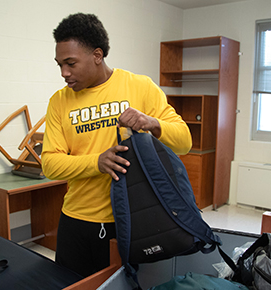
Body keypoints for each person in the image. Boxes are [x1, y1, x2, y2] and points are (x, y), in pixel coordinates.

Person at [41, 12, 192, 277]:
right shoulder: (59, 101)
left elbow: (184, 141)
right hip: (75, 220)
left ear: (97, 55)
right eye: (60, 65)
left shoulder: (140, 86)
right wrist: (97, 162)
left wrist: (153, 123)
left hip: (130, 221)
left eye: (71, 63)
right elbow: (50, 163)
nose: (64, 73)